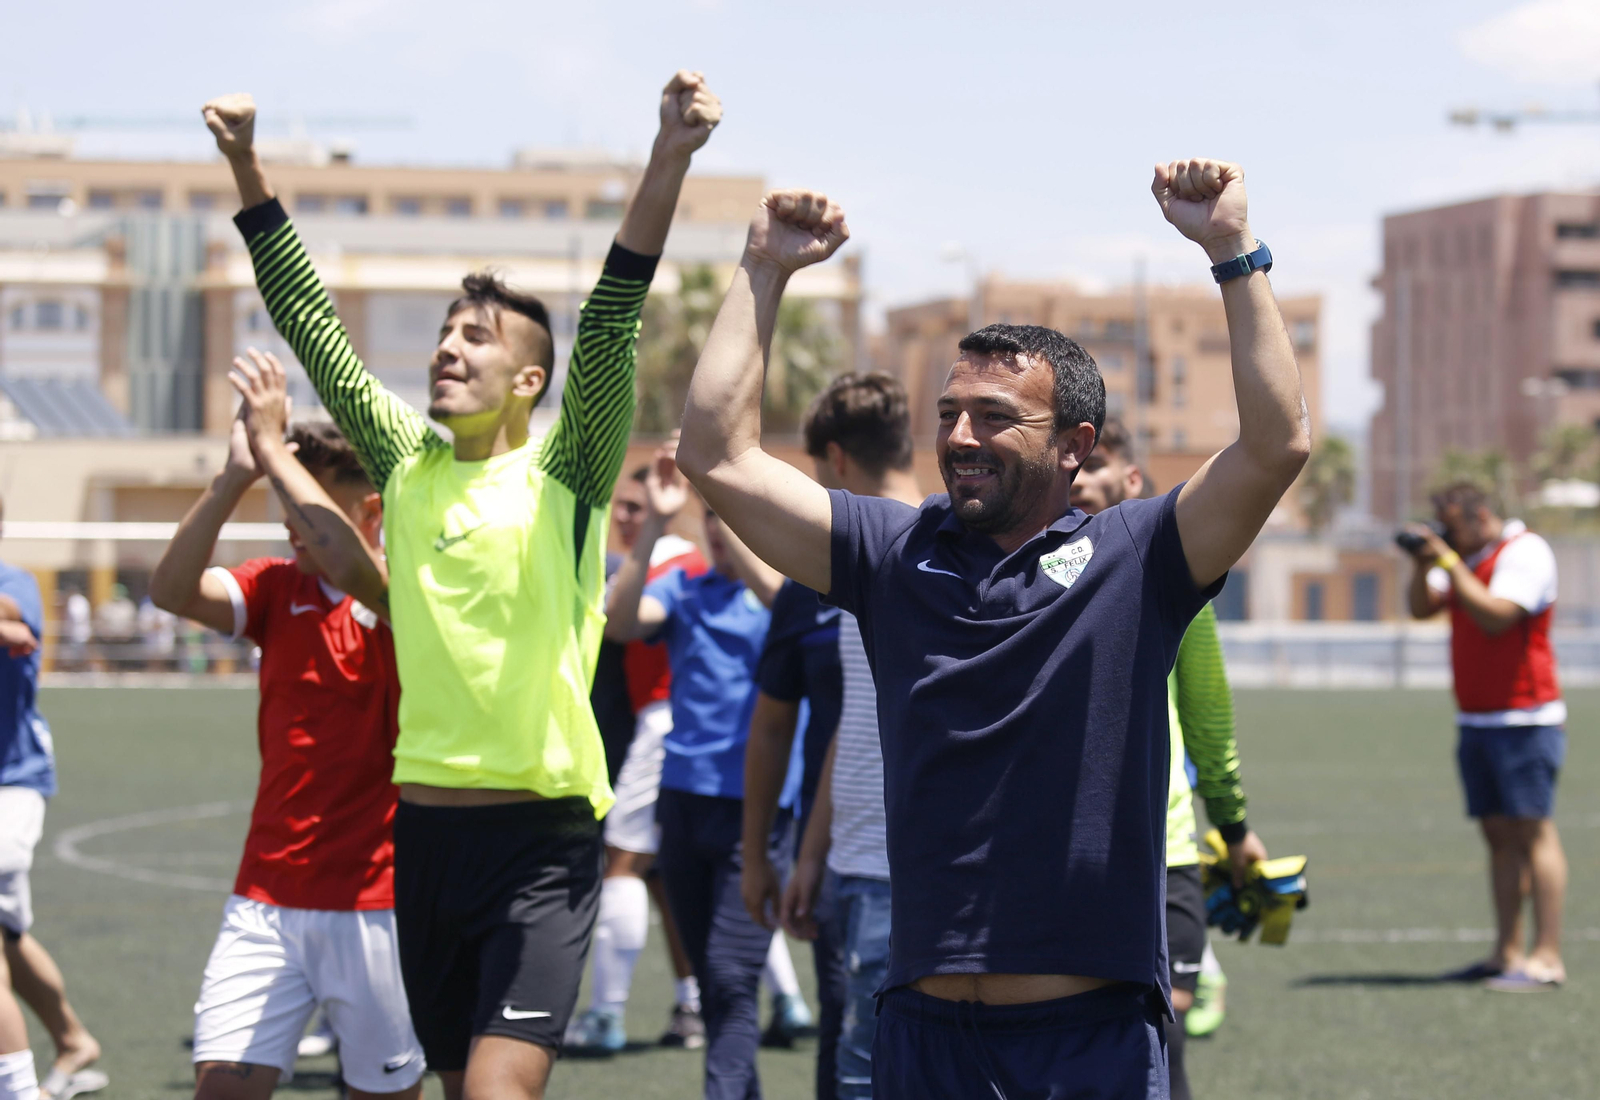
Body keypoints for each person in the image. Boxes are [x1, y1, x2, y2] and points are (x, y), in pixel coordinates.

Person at [677, 163, 1309, 1098]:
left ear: (1075, 445)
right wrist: (763, 268)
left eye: (995, 417)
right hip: (923, 1033)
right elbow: (716, 455)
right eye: (949, 414)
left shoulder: (1137, 559)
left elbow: (1276, 445)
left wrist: (1230, 249)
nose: (961, 437)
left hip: (1086, 1041)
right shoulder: (890, 553)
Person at [205, 70, 721, 1100]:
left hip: (542, 841)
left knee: (494, 1091)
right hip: (427, 837)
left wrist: (668, 154)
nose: (448, 347)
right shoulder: (408, 463)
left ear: (530, 380)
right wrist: (247, 167)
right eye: (446, 332)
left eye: (476, 336)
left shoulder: (567, 471)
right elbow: (311, 324)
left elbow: (612, 318)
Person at [151, 350, 421, 1100]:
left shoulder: (408, 598)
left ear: (370, 514)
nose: (290, 526)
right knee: (221, 1089)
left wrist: (273, 452)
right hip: (264, 899)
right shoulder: (277, 589)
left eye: (307, 507)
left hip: (376, 905)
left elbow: (367, 576)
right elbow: (171, 590)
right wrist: (233, 478)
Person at [1070, 417, 1269, 1100]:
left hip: (1165, 850)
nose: (1080, 476)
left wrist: (1234, 827)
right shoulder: (1024, 571)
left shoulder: (1174, 578)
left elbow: (1207, 715)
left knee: (1161, 1040)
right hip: (1060, 853)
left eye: (1095, 461)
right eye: (1070, 460)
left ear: (1131, 479)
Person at [603, 440, 784, 1100]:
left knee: (731, 979)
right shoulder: (684, 588)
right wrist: (655, 522)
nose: (716, 528)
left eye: (726, 516)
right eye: (710, 516)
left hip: (757, 814)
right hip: (682, 806)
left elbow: (782, 603)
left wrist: (735, 513)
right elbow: (620, 623)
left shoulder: (781, 597)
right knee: (713, 981)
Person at [771, 375, 923, 1100]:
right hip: (857, 863)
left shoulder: (929, 549)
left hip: (905, 874)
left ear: (834, 459)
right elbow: (858, 720)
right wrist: (812, 853)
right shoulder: (905, 551)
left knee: (869, 1080)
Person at [567, 465, 709, 1054]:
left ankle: (606, 1014)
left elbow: (615, 623)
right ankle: (712, 1003)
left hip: (664, 725)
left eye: (636, 505)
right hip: (682, 731)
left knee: (623, 863)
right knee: (673, 874)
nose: (624, 516)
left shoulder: (668, 565)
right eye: (621, 506)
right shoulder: (687, 563)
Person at [1405, 483, 1568, 992]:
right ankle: (1506, 953)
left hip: (1525, 719)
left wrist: (1448, 561)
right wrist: (1421, 565)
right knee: (1498, 838)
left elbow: (1497, 616)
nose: (1446, 535)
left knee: (1534, 833)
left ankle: (1547, 957)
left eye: (1452, 525)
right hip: (1477, 720)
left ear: (1478, 518)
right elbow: (1421, 608)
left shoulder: (1524, 551)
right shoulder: (1465, 559)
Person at [0, 498, 107, 1100]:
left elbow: (16, 622)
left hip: (11, 782)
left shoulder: (14, 582)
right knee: (8, 933)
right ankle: (72, 1040)